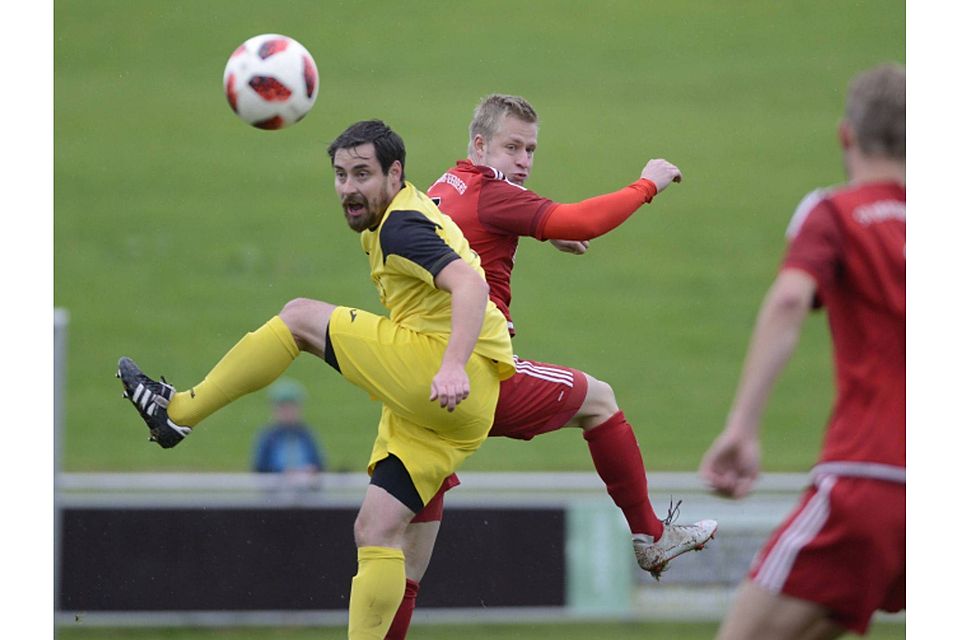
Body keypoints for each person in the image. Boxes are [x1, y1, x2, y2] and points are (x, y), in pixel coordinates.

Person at [116, 119, 515, 640]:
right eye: (341, 175)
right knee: (375, 529)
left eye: (362, 174)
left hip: (442, 373)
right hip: (459, 408)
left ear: (395, 174)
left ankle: (178, 413)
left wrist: (451, 364)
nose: (349, 188)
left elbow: (469, 285)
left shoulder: (400, 226)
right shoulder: (406, 210)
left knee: (300, 317)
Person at [382, 94, 719, 638]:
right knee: (600, 400)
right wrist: (648, 182)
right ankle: (652, 536)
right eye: (511, 146)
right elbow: (582, 219)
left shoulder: (445, 186)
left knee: (406, 565)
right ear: (479, 144)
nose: (523, 159)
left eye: (530, 149)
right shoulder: (495, 195)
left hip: (417, 384)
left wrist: (544, 232)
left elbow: (477, 231)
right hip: (475, 374)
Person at [699, 63, 905, 639]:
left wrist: (742, 426)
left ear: (847, 135)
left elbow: (790, 300)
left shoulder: (834, 211)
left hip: (871, 479)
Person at [251, 378, 326, 475]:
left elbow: (319, 464)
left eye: (292, 407)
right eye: (283, 408)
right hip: (276, 487)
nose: (288, 412)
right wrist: (282, 473)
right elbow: (260, 469)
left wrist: (311, 471)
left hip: (304, 487)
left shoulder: (306, 435)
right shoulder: (268, 437)